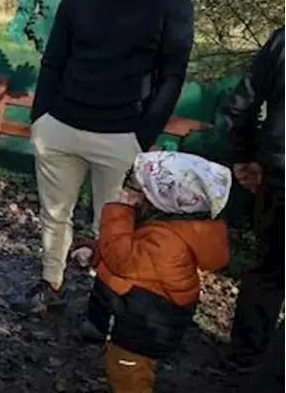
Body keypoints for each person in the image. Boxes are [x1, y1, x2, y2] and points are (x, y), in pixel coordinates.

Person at [25, 0, 196, 312]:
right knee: (54, 215)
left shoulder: (171, 7)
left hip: (121, 136)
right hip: (60, 128)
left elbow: (172, 77)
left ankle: (102, 309)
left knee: (116, 231)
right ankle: (49, 286)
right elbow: (54, 60)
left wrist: (141, 137)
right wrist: (41, 120)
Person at [84, 151, 231, 392]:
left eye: (139, 188)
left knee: (129, 374)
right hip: (140, 318)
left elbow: (122, 259)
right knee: (129, 369)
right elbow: (133, 256)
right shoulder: (171, 228)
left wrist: (120, 210)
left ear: (163, 198)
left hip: (142, 328)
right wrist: (95, 252)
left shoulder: (167, 241)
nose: (130, 191)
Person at [224, 26, 286, 373]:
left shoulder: (282, 40)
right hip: (277, 172)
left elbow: (240, 104)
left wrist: (244, 154)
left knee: (267, 272)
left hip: (278, 175)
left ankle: (244, 360)